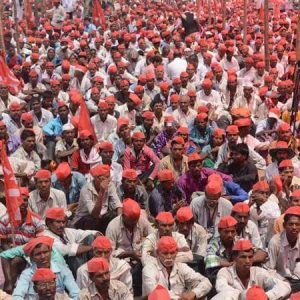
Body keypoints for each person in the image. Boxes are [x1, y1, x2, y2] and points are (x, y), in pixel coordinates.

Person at [212, 240, 291, 299]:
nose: (247, 261)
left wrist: (265, 296)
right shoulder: (225, 272)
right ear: (234, 258)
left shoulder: (258, 272)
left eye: (250, 257)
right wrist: (246, 296)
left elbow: (285, 286)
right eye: (243, 257)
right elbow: (222, 288)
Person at [105, 198, 153, 296]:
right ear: (123, 216)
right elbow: (108, 253)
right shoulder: (113, 226)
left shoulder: (140, 219)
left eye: (136, 221)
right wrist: (130, 254)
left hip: (140, 256)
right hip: (122, 261)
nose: (134, 224)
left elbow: (152, 236)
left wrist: (146, 249)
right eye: (131, 221)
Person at [142, 236, 212, 298]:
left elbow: (206, 282)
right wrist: (179, 298)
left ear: (177, 252)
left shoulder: (181, 267)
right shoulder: (149, 269)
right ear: (157, 253)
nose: (169, 257)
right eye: (165, 253)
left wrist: (193, 293)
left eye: (172, 253)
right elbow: (155, 292)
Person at [12, 236, 79, 299]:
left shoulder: (62, 270)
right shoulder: (27, 274)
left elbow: (76, 294)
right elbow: (17, 296)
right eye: (38, 254)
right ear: (32, 257)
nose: (43, 257)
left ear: (51, 252)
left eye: (45, 252)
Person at [73, 164, 122, 232]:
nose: (109, 180)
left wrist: (120, 221)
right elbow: (94, 214)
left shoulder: (110, 185)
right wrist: (101, 192)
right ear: (97, 178)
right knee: (91, 220)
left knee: (113, 215)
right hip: (84, 220)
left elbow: (118, 205)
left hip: (100, 217)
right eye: (106, 177)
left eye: (109, 177)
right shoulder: (86, 189)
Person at [267, 206, 300, 292]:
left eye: (297, 224)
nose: (294, 227)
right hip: (280, 281)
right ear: (284, 225)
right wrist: (283, 282)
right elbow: (270, 269)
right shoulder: (275, 242)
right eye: (291, 224)